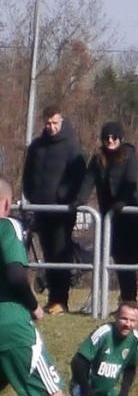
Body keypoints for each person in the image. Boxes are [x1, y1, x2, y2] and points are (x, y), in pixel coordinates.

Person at [0, 179, 84, 396]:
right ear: (7, 203)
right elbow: (18, 276)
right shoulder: (7, 225)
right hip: (11, 327)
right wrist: (34, 306)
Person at [21, 106, 86, 315]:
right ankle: (51, 297)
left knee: (61, 254)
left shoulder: (72, 147)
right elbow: (28, 175)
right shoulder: (36, 147)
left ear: (62, 121)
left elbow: (78, 177)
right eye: (48, 123)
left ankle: (61, 299)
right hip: (40, 210)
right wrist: (31, 196)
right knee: (48, 255)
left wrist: (62, 197)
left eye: (55, 123)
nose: (51, 127)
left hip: (62, 212)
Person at [86, 122, 138, 303]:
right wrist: (78, 201)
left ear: (120, 138)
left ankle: (129, 299)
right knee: (111, 257)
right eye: (106, 137)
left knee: (126, 260)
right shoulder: (97, 159)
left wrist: (122, 201)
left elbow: (131, 181)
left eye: (114, 137)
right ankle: (104, 301)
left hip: (127, 217)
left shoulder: (129, 156)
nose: (110, 141)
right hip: (106, 216)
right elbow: (88, 180)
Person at [67, 302, 138, 396]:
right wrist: (88, 392)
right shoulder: (103, 333)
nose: (128, 324)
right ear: (116, 316)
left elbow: (130, 368)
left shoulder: (135, 339)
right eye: (124, 318)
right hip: (85, 388)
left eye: (132, 320)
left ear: (137, 321)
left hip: (108, 393)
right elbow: (78, 362)